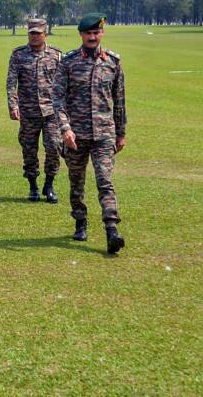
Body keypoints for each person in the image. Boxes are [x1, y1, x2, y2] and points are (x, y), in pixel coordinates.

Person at [52, 13, 127, 254]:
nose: (92, 37)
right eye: (88, 33)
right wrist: (65, 129)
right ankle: (80, 221)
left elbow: (120, 101)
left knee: (105, 180)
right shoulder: (69, 62)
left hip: (104, 133)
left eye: (96, 33)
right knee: (77, 182)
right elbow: (57, 99)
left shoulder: (113, 62)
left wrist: (121, 133)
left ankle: (111, 229)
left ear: (102, 33)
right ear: (81, 35)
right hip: (76, 135)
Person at [6, 18, 63, 203]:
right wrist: (13, 105)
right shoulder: (18, 55)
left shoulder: (56, 55)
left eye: (38, 33)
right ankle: (32, 186)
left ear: (45, 34)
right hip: (28, 112)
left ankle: (49, 183)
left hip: (51, 112)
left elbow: (64, 85)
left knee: (54, 146)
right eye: (31, 33)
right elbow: (11, 83)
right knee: (29, 150)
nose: (34, 36)